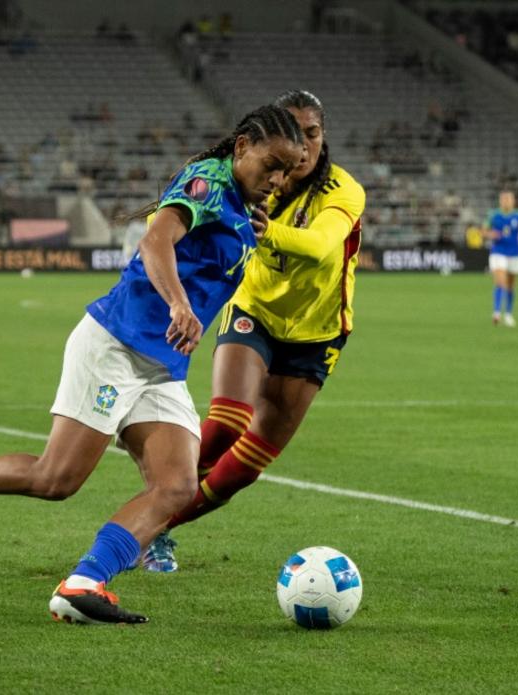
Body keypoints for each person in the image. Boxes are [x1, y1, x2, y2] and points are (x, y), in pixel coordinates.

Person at [0, 105, 305, 624]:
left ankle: (83, 584)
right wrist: (179, 304)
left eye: (288, 171)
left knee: (177, 487)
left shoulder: (240, 206)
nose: (277, 180)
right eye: (271, 165)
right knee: (55, 479)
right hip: (115, 347)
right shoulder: (208, 183)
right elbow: (156, 240)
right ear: (241, 149)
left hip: (162, 366)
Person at [138, 90, 366, 572]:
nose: (304, 149)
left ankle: (161, 526)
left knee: (240, 472)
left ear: (324, 138)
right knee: (228, 422)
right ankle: (147, 517)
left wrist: (268, 232)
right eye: (295, 134)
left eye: (314, 134)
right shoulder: (256, 177)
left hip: (316, 333)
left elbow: (324, 247)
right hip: (254, 310)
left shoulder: (343, 190)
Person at [482, 190, 518, 327]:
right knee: (501, 281)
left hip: (515, 253)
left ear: (513, 201)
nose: (506, 201)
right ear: (500, 201)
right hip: (498, 252)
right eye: (504, 199)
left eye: (509, 199)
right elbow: (482, 231)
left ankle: (508, 313)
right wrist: (490, 234)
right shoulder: (493, 215)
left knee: (511, 286)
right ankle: (496, 312)